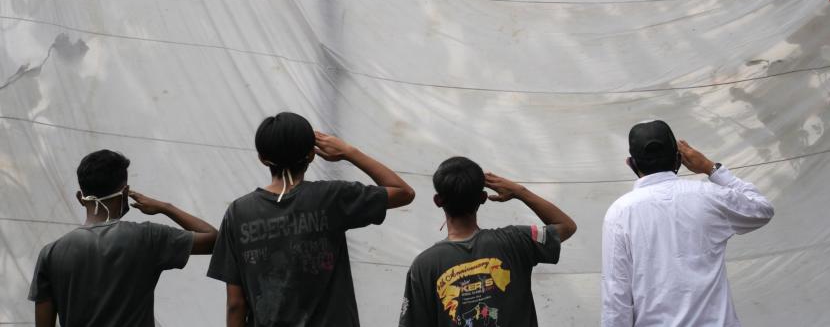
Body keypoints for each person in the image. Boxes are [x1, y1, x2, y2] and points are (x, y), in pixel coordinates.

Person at [207, 111, 416, 326]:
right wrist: (349, 152)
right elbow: (403, 192)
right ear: (312, 155)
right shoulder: (331, 197)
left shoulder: (238, 212)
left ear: (262, 158)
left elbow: (235, 303)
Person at [601, 119, 775, 327]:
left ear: (631, 163)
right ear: (679, 159)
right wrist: (711, 168)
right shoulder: (709, 196)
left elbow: (616, 296)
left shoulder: (619, 213)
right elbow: (762, 209)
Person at [28, 149, 218, 327]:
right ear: (126, 193)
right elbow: (214, 239)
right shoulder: (148, 237)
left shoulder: (50, 253)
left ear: (80, 197)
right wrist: (165, 207)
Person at [398, 156, 577, 327]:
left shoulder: (423, 265)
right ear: (483, 198)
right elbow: (566, 226)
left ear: (438, 201)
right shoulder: (515, 240)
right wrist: (519, 192)